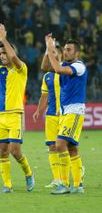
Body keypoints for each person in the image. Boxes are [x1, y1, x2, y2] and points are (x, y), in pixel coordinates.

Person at [0, 24, 34, 193]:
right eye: (0, 54)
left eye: (5, 53)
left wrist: (4, 39)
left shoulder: (21, 69)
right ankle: (7, 185)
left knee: (15, 150)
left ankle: (29, 173)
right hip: (1, 115)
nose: (2, 56)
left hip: (15, 115)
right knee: (3, 151)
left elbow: (14, 58)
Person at [46, 36, 87, 195]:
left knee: (60, 144)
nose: (65, 51)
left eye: (69, 49)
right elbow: (46, 66)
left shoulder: (79, 66)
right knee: (71, 148)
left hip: (74, 112)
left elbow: (58, 69)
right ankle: (78, 186)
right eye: (64, 49)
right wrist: (47, 50)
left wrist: (51, 50)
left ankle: (64, 184)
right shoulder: (63, 64)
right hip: (64, 112)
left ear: (76, 53)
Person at [33, 35, 62, 188]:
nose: (52, 56)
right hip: (51, 115)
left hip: (64, 115)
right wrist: (39, 110)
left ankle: (76, 169)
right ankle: (56, 178)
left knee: (66, 146)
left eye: (55, 53)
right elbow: (44, 96)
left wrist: (50, 47)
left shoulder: (65, 71)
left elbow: (47, 63)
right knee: (52, 146)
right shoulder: (47, 77)